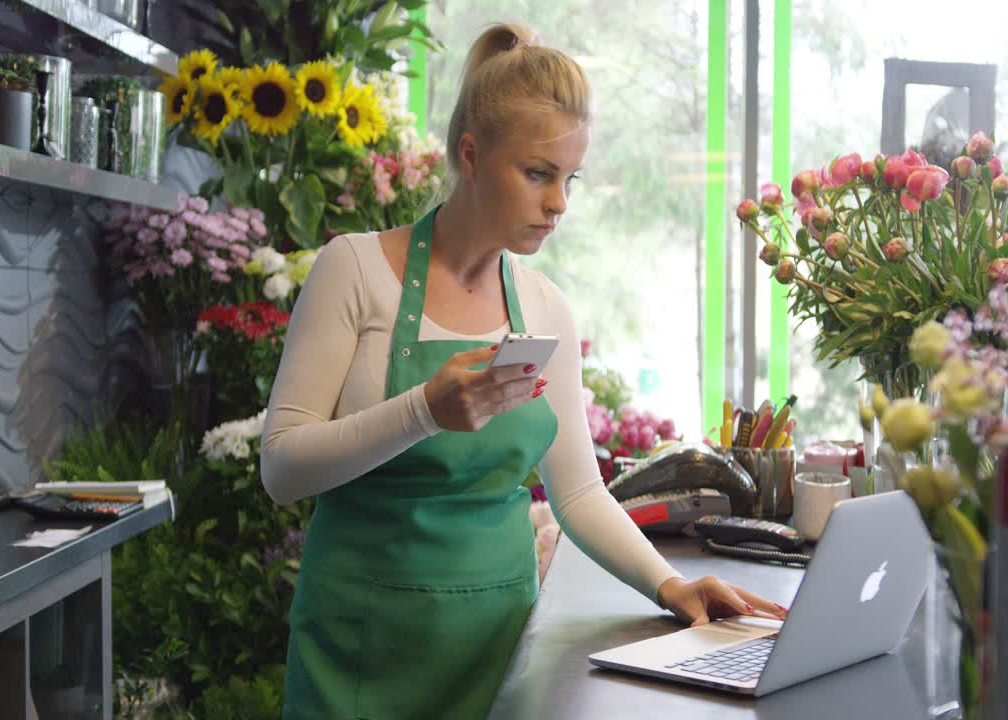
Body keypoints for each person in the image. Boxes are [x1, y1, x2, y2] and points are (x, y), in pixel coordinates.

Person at [261, 22, 786, 720]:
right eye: (538, 174)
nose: (559, 203)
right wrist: (423, 410)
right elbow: (281, 469)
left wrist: (670, 586)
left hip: (500, 649)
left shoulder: (545, 309)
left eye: (569, 178)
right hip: (361, 650)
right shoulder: (355, 270)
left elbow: (578, 494)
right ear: (471, 156)